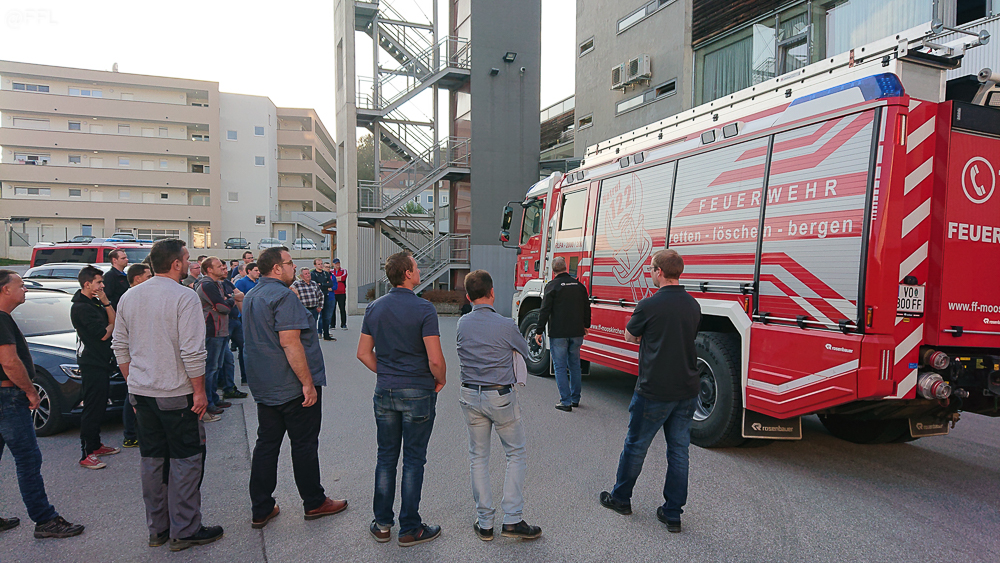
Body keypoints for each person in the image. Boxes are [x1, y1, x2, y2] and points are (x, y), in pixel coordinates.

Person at [112, 239, 224, 551]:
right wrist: (199, 392)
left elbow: (120, 346)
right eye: (187, 259)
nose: (189, 264)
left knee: (152, 460)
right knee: (186, 459)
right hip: (176, 392)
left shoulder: (130, 296)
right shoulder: (184, 296)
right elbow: (193, 351)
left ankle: (158, 528)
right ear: (175, 263)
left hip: (142, 392)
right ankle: (185, 529)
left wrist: (134, 384)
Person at [243, 247, 347, 530]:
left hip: (265, 385)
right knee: (304, 444)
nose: (294, 268)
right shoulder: (283, 296)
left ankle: (261, 507)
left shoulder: (252, 294)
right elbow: (290, 343)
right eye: (289, 263)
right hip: (290, 386)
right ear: (277, 268)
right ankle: (314, 501)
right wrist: (307, 384)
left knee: (266, 445)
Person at [599, 250, 701, 534]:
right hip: (687, 389)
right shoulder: (693, 305)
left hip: (654, 389)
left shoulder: (649, 304)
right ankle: (672, 513)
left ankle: (621, 499)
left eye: (651, 269)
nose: (650, 273)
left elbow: (630, 335)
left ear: (659, 272)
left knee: (636, 446)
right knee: (679, 452)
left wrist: (646, 334)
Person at [357, 250, 446, 547]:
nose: (418, 271)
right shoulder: (424, 309)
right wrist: (440, 379)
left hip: (385, 390)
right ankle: (410, 527)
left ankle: (382, 524)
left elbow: (363, 353)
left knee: (386, 457)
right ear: (407, 273)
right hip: (418, 390)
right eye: (416, 267)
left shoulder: (374, 307)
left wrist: (387, 372)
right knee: (413, 460)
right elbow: (435, 359)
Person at [455, 270, 541, 541]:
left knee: (478, 457)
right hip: (500, 396)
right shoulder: (506, 325)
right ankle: (512, 519)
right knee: (515, 453)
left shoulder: (462, 324)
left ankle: (484, 523)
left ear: (468, 297)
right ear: (492, 292)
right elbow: (524, 351)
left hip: (470, 395)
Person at [0, 270, 86, 539]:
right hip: (8, 397)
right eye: (20, 285)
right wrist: (30, 391)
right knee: (28, 459)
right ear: (5, 290)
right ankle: (45, 520)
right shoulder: (1, 319)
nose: (24, 289)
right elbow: (9, 361)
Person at [70, 266, 121, 470]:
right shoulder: (80, 307)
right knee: (92, 407)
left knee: (100, 406)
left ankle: (96, 445)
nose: (102, 285)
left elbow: (113, 319)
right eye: (99, 282)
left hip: (103, 361)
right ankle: (87, 453)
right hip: (91, 363)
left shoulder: (96, 302)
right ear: (87, 284)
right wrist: (111, 326)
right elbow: (104, 334)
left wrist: (106, 303)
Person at [534, 256, 591, 412]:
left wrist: (539, 331)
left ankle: (565, 402)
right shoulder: (579, 286)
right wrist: (586, 325)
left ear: (553, 270)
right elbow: (586, 307)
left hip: (559, 333)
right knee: (575, 366)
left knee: (560, 367)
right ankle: (575, 399)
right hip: (577, 332)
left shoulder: (552, 286)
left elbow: (544, 310)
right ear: (566, 267)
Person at [196, 257, 243, 417]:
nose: (223, 269)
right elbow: (222, 307)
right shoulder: (207, 284)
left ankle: (214, 398)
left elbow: (223, 305)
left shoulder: (218, 284)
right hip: (212, 330)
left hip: (221, 330)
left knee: (217, 366)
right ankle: (208, 402)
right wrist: (231, 299)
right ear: (209, 269)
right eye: (218, 266)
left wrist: (226, 300)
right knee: (211, 368)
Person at [119, 263, 152, 448]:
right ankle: (130, 435)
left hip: (141, 354)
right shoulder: (129, 298)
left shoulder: (142, 297)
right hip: (134, 356)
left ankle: (136, 432)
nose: (151, 281)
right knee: (132, 396)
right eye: (148, 277)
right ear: (137, 279)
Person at [234, 262, 260, 385]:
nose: (258, 273)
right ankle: (245, 377)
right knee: (245, 347)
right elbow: (238, 299)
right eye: (256, 270)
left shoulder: (258, 282)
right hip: (244, 318)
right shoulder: (241, 283)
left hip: (257, 317)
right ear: (249, 271)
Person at [292, 268, 326, 333]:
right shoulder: (297, 284)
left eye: (309, 273)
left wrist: (320, 306)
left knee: (313, 326)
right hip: (303, 309)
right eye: (306, 274)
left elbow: (321, 295)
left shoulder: (314, 283)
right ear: (301, 276)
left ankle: (312, 338)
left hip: (314, 309)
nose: (308, 275)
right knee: (304, 327)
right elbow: (293, 296)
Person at [311, 259, 335, 339]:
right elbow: (315, 285)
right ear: (315, 265)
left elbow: (331, 284)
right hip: (317, 298)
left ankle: (326, 334)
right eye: (319, 264)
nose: (320, 265)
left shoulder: (325, 273)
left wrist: (321, 284)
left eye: (321, 264)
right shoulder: (313, 274)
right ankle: (315, 334)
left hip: (326, 296)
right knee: (315, 317)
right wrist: (324, 284)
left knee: (326, 317)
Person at [331, 258, 348, 330]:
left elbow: (343, 278)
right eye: (336, 264)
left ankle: (343, 324)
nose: (337, 265)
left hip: (341, 293)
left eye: (338, 263)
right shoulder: (331, 271)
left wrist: (334, 279)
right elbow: (330, 279)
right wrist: (337, 278)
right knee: (332, 309)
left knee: (342, 308)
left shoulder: (343, 270)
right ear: (333, 264)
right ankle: (332, 324)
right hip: (333, 292)